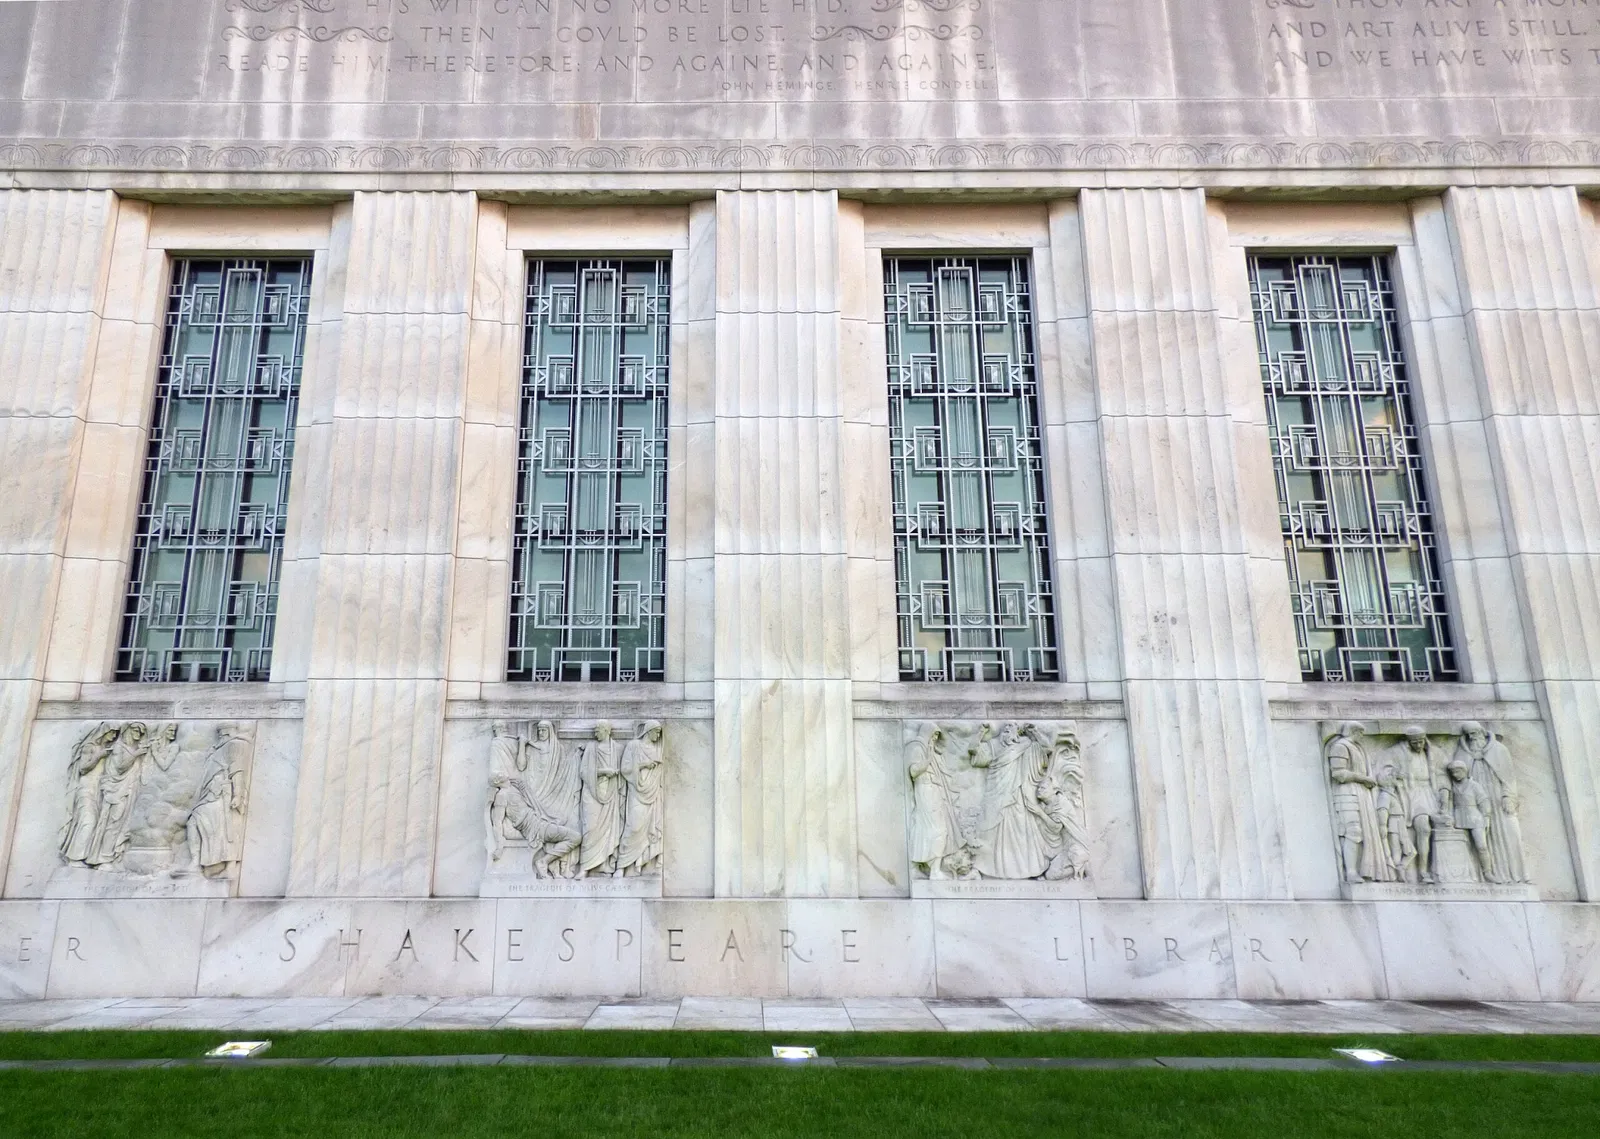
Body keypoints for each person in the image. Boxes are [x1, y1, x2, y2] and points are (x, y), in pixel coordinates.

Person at [85, 722, 179, 868]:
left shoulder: (133, 749)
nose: (139, 734)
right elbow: (120, 767)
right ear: (128, 730)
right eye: (136, 730)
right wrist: (136, 754)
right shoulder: (118, 747)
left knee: (121, 825)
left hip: (128, 791)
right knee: (113, 824)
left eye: (141, 732)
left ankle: (111, 856)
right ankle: (103, 858)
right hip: (116, 792)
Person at [970, 722, 1054, 880]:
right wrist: (979, 733)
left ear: (1018, 732)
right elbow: (977, 757)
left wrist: (1035, 732)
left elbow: (1047, 749)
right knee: (992, 832)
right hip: (996, 796)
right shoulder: (993, 746)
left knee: (1021, 832)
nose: (1007, 728)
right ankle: (989, 869)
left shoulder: (1027, 745)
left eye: (1012, 726)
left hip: (1017, 799)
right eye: (1005, 726)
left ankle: (1027, 871)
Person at [1456, 722, 1528, 884]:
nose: (1472, 738)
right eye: (1469, 735)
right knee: (1483, 839)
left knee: (1509, 833)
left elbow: (1508, 777)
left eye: (1474, 733)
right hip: (1475, 803)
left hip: (1497, 797)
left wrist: (1508, 796)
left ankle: (1515, 874)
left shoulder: (1499, 750)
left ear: (1482, 732)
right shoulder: (1463, 753)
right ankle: (1489, 873)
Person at [1325, 722, 1394, 884]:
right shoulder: (1340, 746)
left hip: (1361, 793)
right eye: (1361, 733)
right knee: (1352, 831)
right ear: (1354, 731)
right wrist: (1364, 779)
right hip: (1346, 793)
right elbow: (1338, 774)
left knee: (1361, 832)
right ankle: (1351, 872)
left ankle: (1365, 869)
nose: (1362, 736)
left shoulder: (1358, 748)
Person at [906, 724, 965, 879]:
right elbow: (913, 771)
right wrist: (929, 758)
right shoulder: (917, 746)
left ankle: (924, 866)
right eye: (933, 736)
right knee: (938, 829)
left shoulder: (926, 748)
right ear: (927, 733)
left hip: (932, 790)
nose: (934, 740)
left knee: (929, 829)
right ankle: (934, 870)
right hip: (926, 789)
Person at [60, 723, 117, 866]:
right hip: (86, 790)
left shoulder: (108, 749)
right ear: (104, 731)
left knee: (95, 823)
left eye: (116, 733)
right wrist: (98, 756)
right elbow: (83, 768)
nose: (114, 735)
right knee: (88, 822)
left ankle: (85, 856)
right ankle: (74, 858)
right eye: (112, 732)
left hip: (98, 791)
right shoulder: (89, 747)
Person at [616, 721, 666, 876]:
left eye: (659, 732)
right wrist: (643, 764)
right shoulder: (633, 746)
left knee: (650, 827)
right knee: (633, 827)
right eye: (655, 732)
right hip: (636, 791)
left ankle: (640, 864)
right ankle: (621, 866)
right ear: (648, 731)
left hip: (653, 793)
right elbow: (625, 769)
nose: (658, 735)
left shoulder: (657, 750)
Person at [578, 721, 626, 876]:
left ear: (606, 731)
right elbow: (584, 771)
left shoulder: (617, 749)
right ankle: (584, 868)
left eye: (597, 730)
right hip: (591, 792)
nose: (595, 733)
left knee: (608, 829)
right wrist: (603, 771)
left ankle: (604, 863)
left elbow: (624, 770)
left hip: (611, 792)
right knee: (590, 828)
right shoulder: (591, 748)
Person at [1443, 758, 1495, 880]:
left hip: (1475, 817)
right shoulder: (1452, 786)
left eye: (1457, 771)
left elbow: (1484, 801)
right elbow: (1450, 803)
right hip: (1459, 818)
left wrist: (1486, 816)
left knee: (1481, 846)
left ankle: (1487, 872)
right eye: (1453, 773)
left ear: (1464, 771)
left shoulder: (1474, 785)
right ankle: (1465, 874)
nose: (1455, 775)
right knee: (1461, 847)